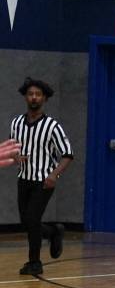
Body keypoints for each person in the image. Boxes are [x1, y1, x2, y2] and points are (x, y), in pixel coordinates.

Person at [10, 77, 73, 276]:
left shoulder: (52, 126)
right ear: (25, 97)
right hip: (24, 178)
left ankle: (34, 262)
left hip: (43, 180)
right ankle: (54, 232)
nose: (34, 97)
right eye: (31, 94)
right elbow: (14, 148)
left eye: (38, 94)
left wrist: (54, 175)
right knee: (27, 222)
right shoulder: (17, 123)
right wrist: (16, 156)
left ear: (44, 98)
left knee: (32, 219)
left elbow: (68, 154)